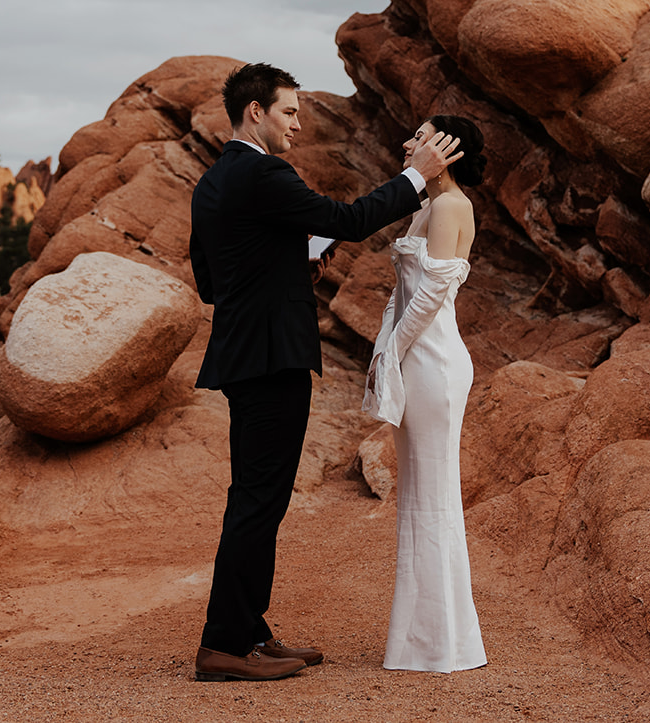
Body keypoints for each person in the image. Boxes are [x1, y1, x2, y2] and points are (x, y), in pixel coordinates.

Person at [188, 62, 462, 683]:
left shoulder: (213, 182)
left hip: (245, 356)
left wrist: (293, 267)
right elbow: (346, 220)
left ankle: (249, 632)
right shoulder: (262, 171)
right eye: (288, 111)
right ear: (255, 111)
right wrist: (420, 176)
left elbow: (213, 281)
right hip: (270, 357)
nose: (297, 122)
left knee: (260, 497)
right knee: (259, 500)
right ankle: (225, 643)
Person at [371, 113, 489, 673]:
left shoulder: (450, 206)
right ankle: (421, 641)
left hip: (433, 363)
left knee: (435, 497)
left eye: (418, 136)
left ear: (446, 148)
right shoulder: (426, 205)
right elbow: (404, 295)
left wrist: (388, 355)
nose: (407, 142)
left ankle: (443, 645)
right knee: (418, 496)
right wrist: (386, 353)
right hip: (415, 357)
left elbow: (430, 296)